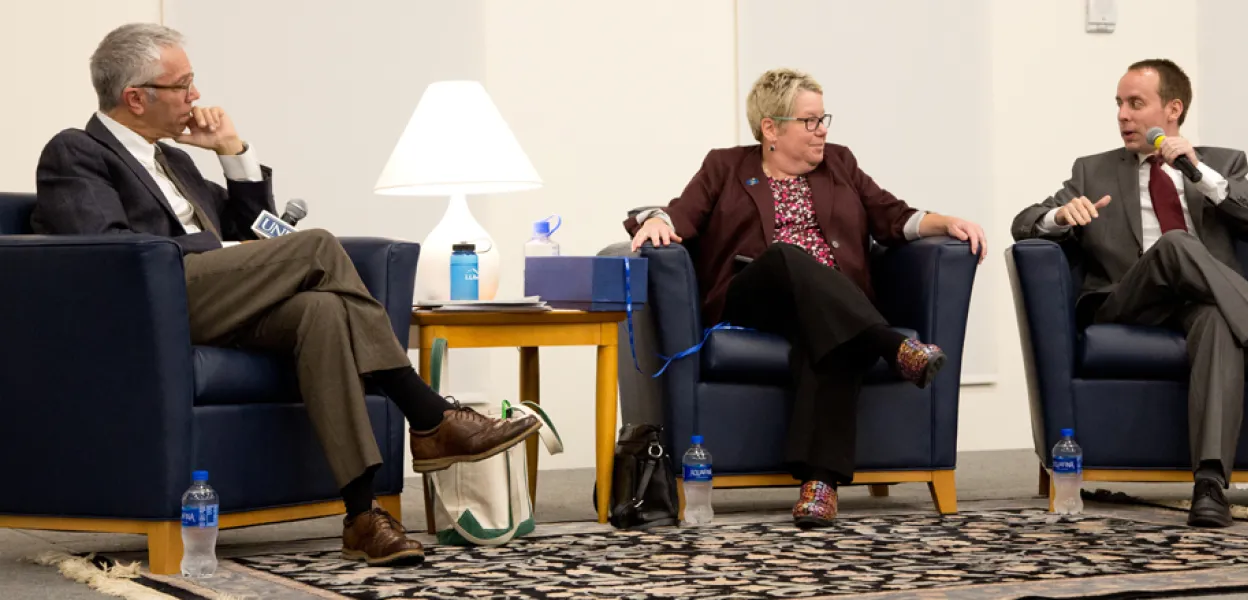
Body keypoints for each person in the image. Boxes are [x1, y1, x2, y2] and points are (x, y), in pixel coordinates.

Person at [31, 23, 541, 566]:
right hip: (149, 307)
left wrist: (232, 152)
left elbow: (257, 231)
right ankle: (429, 414)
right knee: (316, 245)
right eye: (182, 85)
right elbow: (114, 255)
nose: (195, 96)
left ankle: (361, 515)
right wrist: (217, 249)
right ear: (136, 98)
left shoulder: (174, 160)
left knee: (322, 310)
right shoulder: (76, 151)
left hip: (210, 300)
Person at [1010, 59, 1248, 528]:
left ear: (1173, 109)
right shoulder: (1092, 170)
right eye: (1119, 104)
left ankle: (1210, 486)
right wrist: (1058, 217)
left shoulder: (1221, 163)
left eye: (1135, 103)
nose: (1122, 115)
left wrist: (1198, 171)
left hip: (1201, 301)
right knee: (1176, 243)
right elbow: (1023, 223)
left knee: (1217, 321)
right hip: (1129, 302)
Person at [625, 68, 988, 528]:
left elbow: (892, 216)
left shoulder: (840, 163)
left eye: (823, 119)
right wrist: (657, 220)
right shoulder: (725, 166)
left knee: (832, 336)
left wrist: (946, 222)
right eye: (810, 121)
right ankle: (890, 344)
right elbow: (682, 213)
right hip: (754, 294)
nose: (822, 131)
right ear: (771, 129)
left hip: (828, 304)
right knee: (786, 256)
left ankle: (820, 484)